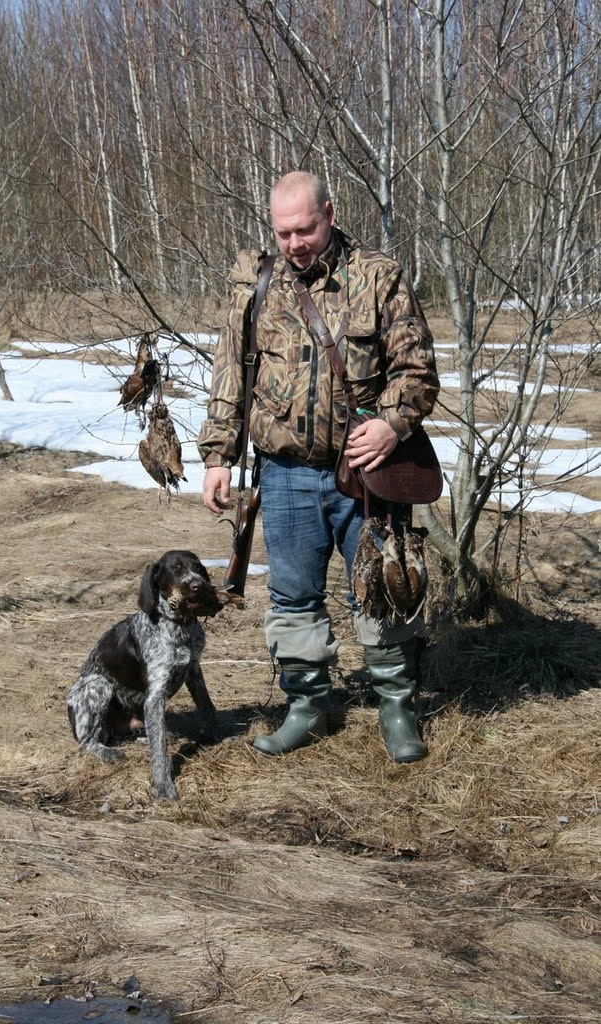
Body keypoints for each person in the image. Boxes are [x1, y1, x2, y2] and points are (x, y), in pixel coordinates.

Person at [197, 171, 440, 763]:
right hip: (283, 474)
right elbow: (231, 371)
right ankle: (307, 707)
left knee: (383, 590)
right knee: (293, 598)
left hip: (365, 473)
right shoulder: (258, 283)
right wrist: (218, 455)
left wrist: (392, 425)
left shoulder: (377, 276)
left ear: (329, 214)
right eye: (283, 233)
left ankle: (397, 708)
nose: (294, 243)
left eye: (305, 229)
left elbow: (417, 370)